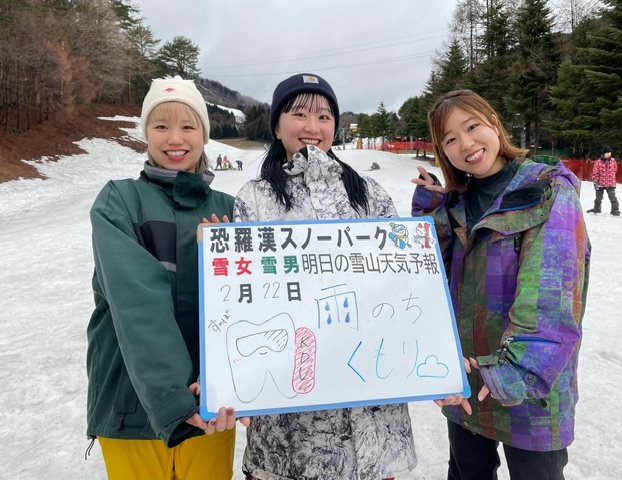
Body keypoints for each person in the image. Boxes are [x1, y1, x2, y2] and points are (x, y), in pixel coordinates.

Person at [233, 73, 420, 480]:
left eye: (324, 115)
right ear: (277, 125)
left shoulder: (369, 194)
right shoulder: (255, 197)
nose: (312, 126)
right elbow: (243, 301)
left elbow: (403, 285)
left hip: (370, 419)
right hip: (290, 427)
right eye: (298, 114)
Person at [410, 90, 590, 480]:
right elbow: (427, 275)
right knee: (467, 472)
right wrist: (429, 211)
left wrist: (516, 369)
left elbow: (552, 292)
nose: (467, 144)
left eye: (472, 126)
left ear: (493, 122)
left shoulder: (546, 190)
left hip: (530, 381)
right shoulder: (457, 203)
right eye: (451, 139)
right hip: (467, 376)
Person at [86, 76, 240, 480]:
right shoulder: (119, 201)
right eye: (161, 125)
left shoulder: (231, 208)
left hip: (213, 407)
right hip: (131, 409)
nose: (176, 138)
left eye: (188, 126)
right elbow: (138, 303)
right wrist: (175, 402)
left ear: (205, 134)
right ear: (146, 133)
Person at [587, 145, 620, 215]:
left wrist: (611, 177)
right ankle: (596, 209)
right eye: (607, 153)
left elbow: (615, 170)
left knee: (612, 197)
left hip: (610, 183)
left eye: (610, 153)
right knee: (598, 198)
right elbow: (595, 173)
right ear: (603, 154)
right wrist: (595, 182)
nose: (609, 154)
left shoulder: (613, 161)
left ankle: (615, 210)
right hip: (600, 183)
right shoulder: (598, 162)